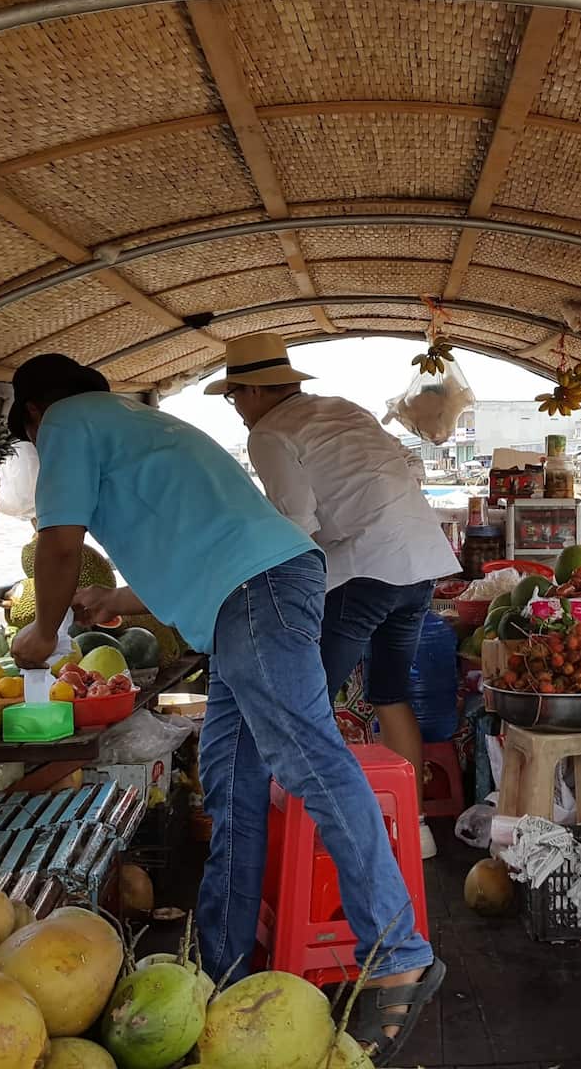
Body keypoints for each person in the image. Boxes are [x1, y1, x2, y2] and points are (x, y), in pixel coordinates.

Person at [7, 353, 443, 1065]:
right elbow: (203, 545)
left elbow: (57, 547)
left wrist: (45, 632)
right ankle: (220, 966)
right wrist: (111, 602)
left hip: (258, 593)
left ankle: (397, 952)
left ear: (31, 411)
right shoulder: (140, 424)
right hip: (257, 589)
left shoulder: (62, 421)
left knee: (311, 763)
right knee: (231, 779)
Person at [205, 333, 461, 859]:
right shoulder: (340, 409)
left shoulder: (271, 434)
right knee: (391, 694)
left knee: (305, 702)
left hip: (364, 570)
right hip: (419, 566)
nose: (237, 410)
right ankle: (414, 830)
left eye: (234, 398)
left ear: (251, 393)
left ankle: (318, 828)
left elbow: (297, 525)